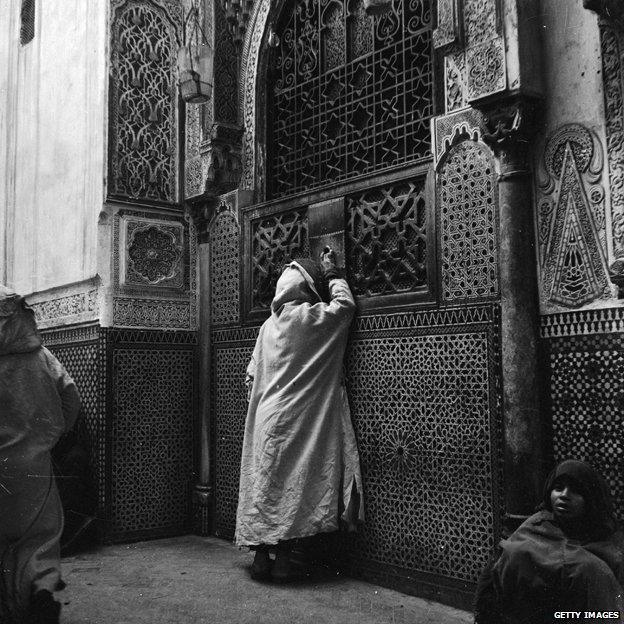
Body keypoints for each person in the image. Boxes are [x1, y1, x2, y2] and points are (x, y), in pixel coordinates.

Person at [235, 248, 364, 582]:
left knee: (266, 485)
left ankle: (262, 557)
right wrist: (333, 272)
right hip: (295, 421)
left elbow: (250, 375)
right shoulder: (312, 318)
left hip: (265, 420)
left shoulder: (267, 326)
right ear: (307, 290)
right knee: (292, 485)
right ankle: (282, 562)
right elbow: (345, 307)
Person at [0, 285, 81, 624]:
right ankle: (41, 591)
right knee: (40, 538)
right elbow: (71, 397)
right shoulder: (41, 357)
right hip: (35, 466)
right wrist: (51, 435)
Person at [474, 459, 624, 624]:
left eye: (576, 491)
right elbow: (497, 575)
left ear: (590, 498)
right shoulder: (536, 524)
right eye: (558, 488)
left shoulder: (605, 536)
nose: (564, 495)